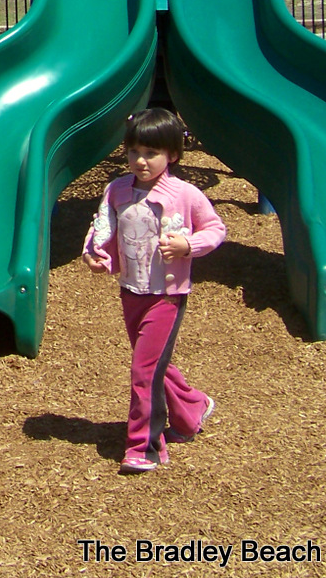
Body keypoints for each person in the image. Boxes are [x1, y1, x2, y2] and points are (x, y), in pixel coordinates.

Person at [81, 109, 226, 474]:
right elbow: (102, 228)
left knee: (143, 369)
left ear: (172, 155)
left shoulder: (185, 194)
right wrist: (96, 256)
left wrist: (188, 245)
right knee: (155, 363)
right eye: (134, 153)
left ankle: (144, 446)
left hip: (167, 296)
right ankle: (192, 407)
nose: (141, 161)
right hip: (131, 292)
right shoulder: (117, 189)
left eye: (151, 153)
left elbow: (215, 228)